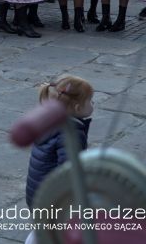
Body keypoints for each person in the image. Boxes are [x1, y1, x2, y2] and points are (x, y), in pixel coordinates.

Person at [25, 76, 94, 207]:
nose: (92, 104)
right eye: (90, 101)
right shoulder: (71, 134)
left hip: (37, 195)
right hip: (54, 201)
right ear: (78, 108)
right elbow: (69, 172)